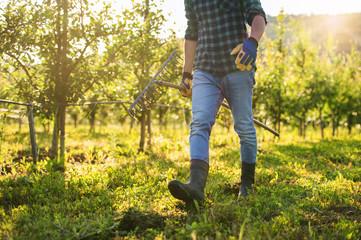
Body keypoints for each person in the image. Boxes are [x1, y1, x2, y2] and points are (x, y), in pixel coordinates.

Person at [168, 0, 267, 203]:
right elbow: (192, 31)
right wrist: (187, 73)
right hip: (205, 68)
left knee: (244, 126)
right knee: (199, 122)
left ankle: (247, 184)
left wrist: (252, 41)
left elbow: (257, 15)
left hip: (238, 67)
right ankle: (196, 186)